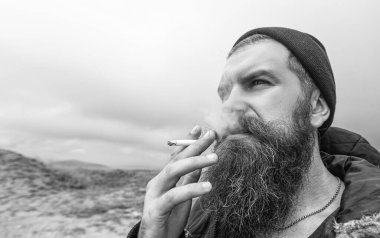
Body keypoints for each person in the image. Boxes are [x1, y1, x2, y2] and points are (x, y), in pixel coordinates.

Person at [128, 27, 380, 238]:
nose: (229, 107)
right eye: (224, 95)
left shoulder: (370, 221)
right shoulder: (208, 212)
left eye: (258, 82)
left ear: (315, 107)